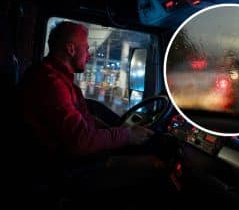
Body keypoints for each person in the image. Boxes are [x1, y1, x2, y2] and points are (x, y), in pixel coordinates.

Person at [17, 21, 173, 209]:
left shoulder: (58, 78)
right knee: (156, 166)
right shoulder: (51, 84)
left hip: (67, 164)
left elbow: (82, 121)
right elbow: (80, 142)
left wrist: (112, 131)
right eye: (86, 48)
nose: (89, 54)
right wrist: (127, 135)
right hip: (65, 172)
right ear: (71, 49)